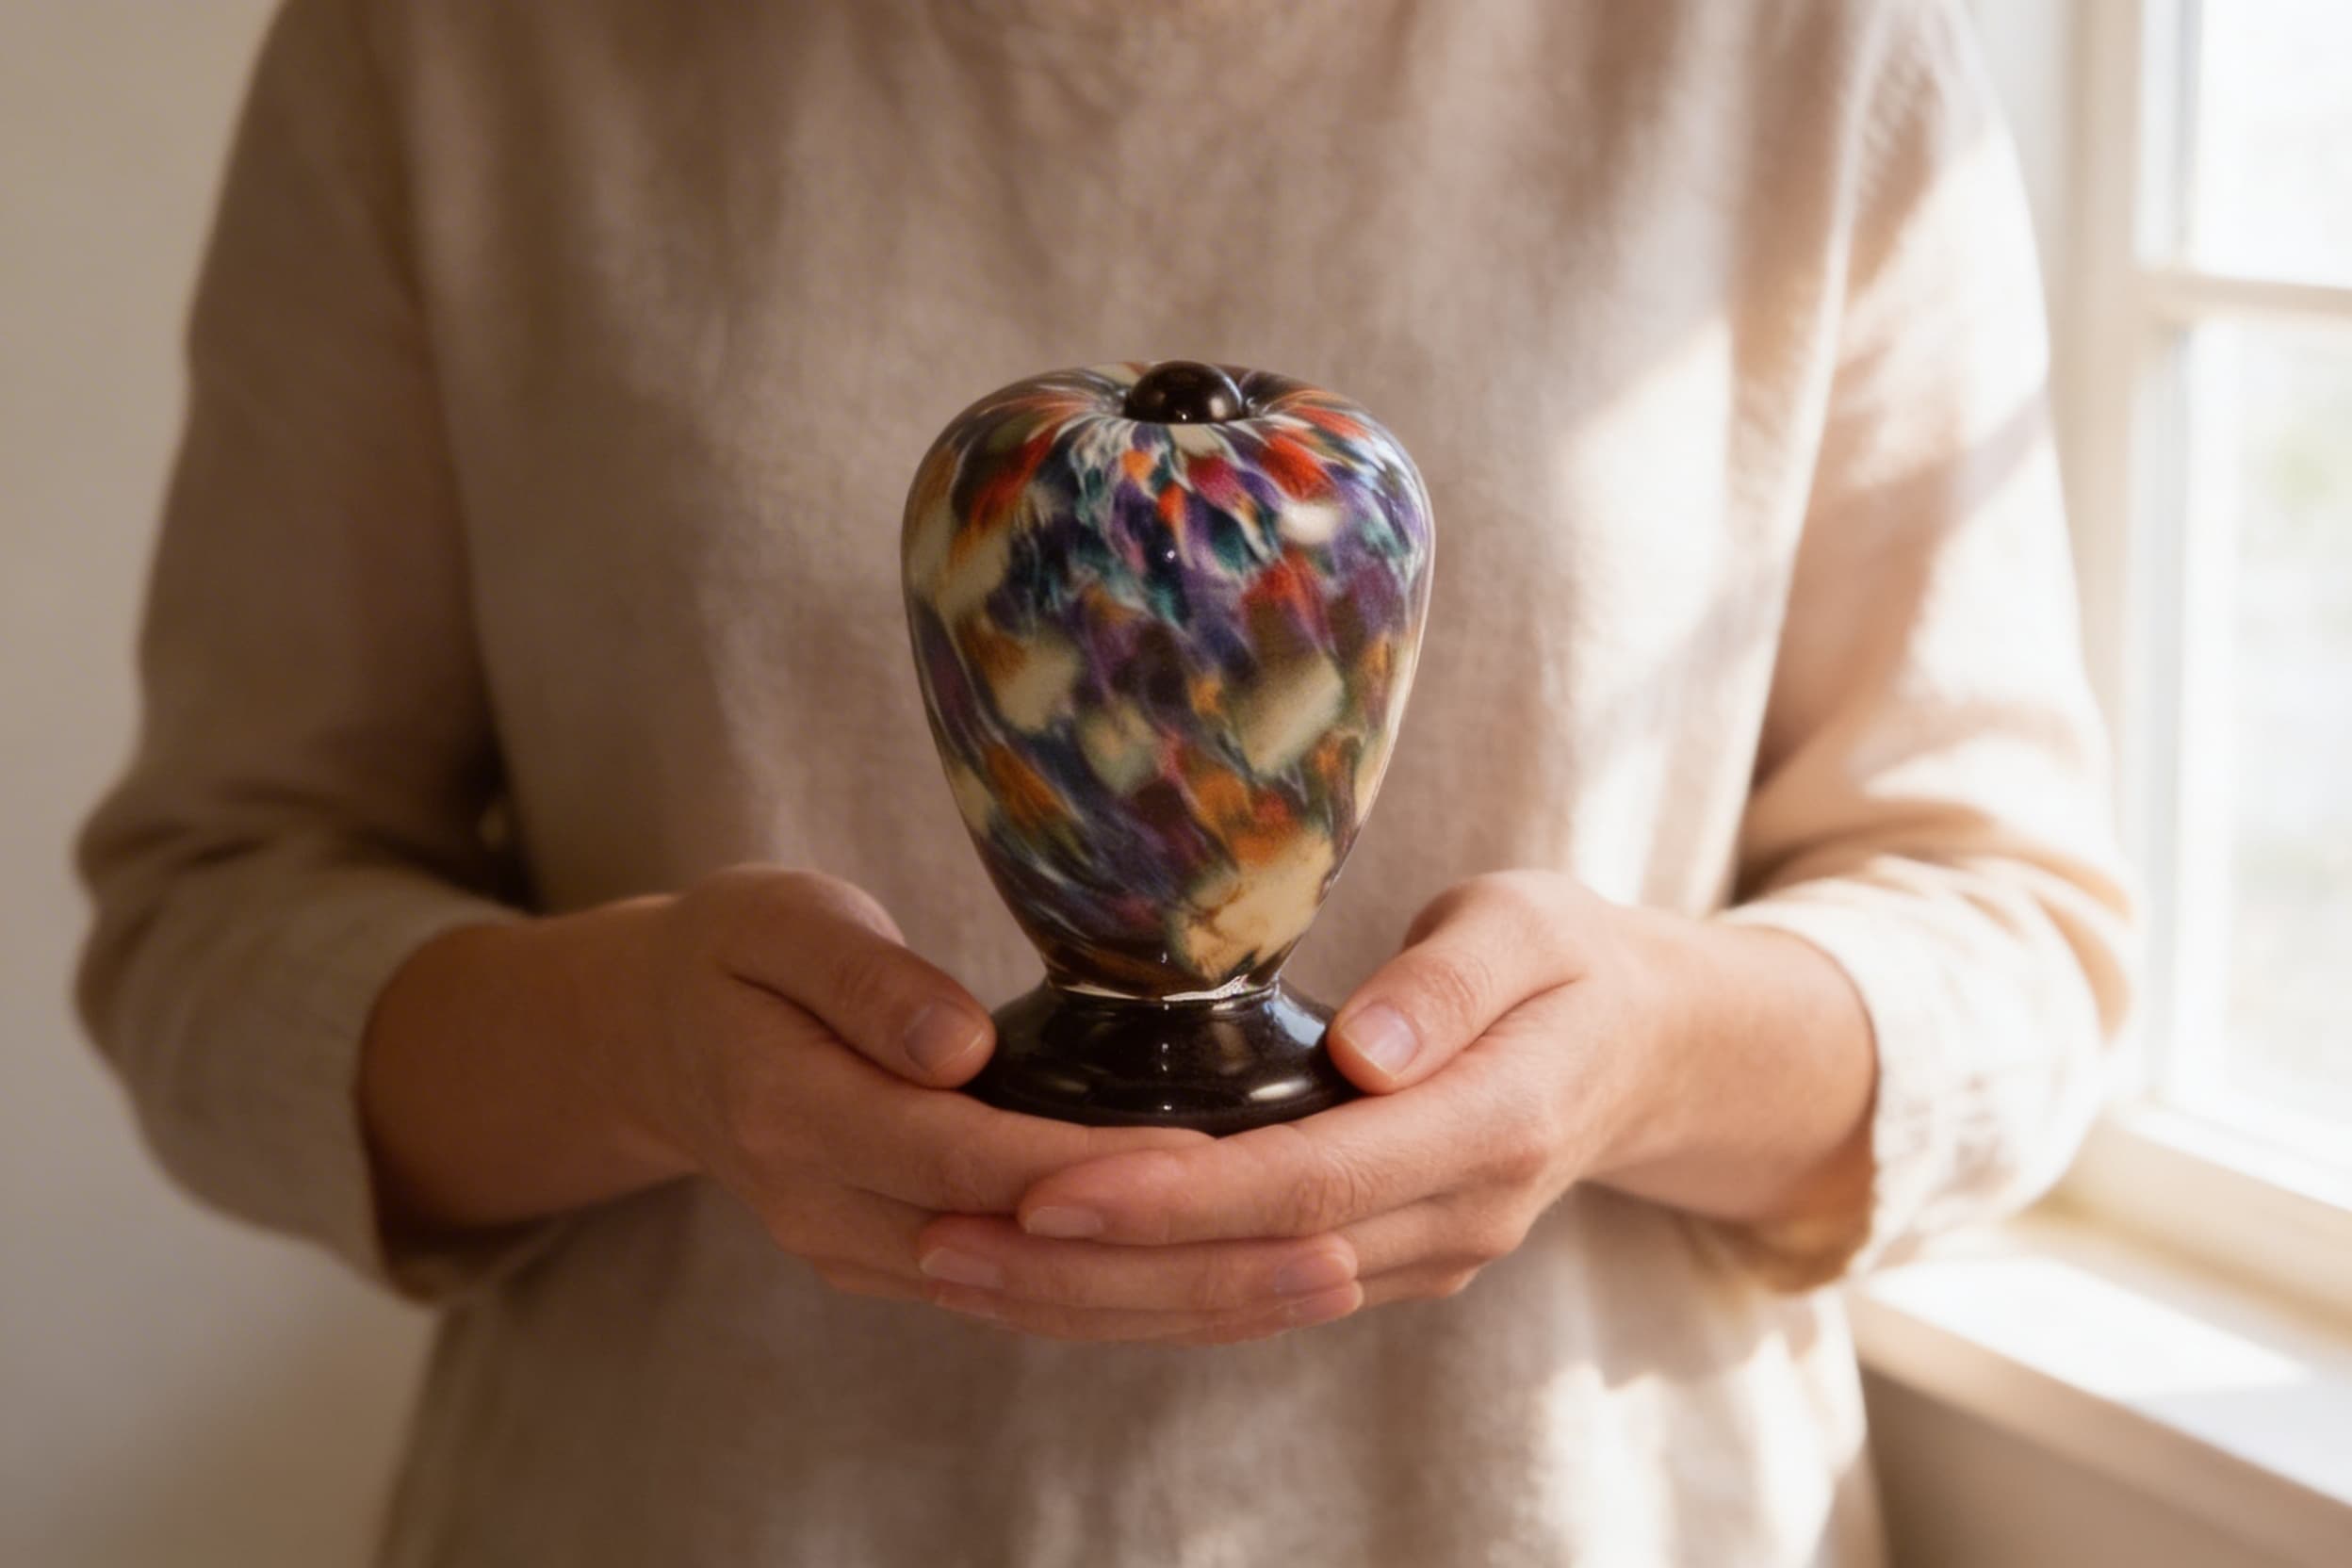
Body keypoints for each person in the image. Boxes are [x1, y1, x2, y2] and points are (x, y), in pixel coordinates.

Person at [74, 0, 2132, 1562]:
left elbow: (2020, 945)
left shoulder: (1791, 43)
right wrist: (637, 1044)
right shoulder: (452, 51)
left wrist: (1647, 1052)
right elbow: (217, 917)